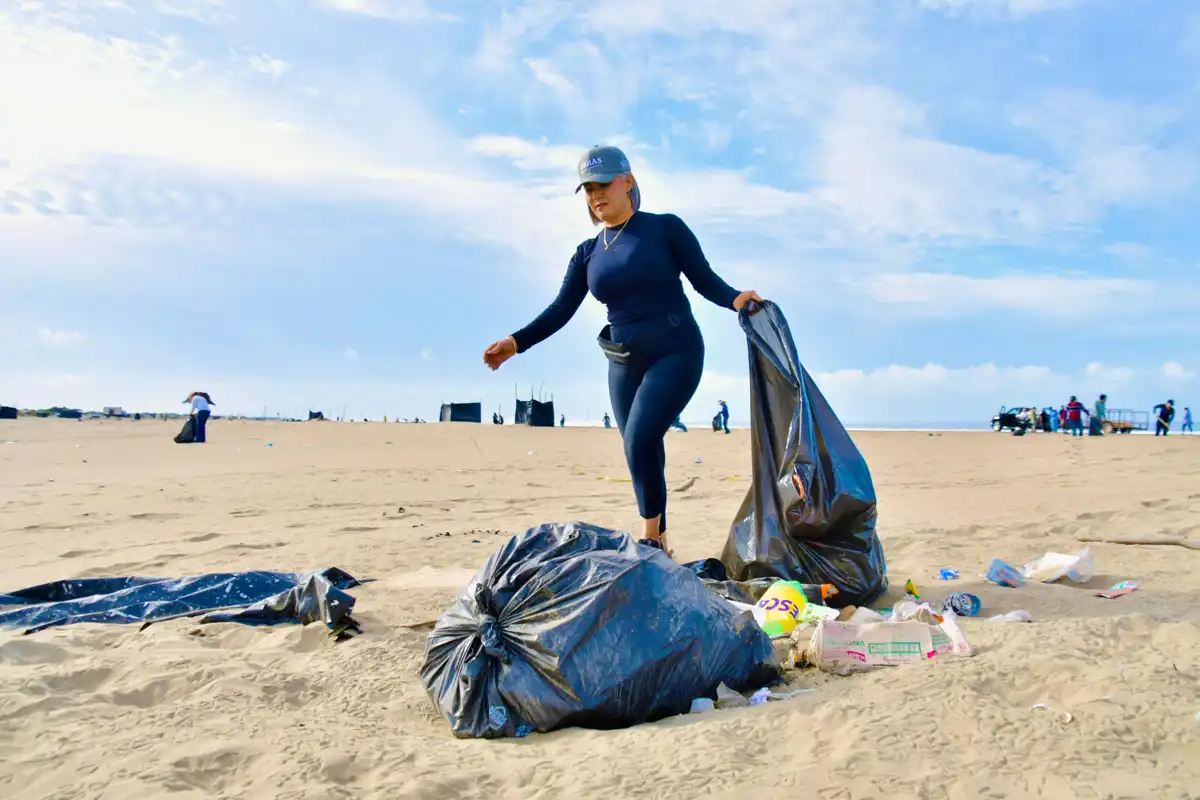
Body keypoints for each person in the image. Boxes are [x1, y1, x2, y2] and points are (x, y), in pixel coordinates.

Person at [482, 144, 762, 554]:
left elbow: (704, 280)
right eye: (587, 189)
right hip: (624, 362)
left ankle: (649, 539)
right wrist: (516, 342)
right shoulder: (588, 253)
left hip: (676, 350)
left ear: (627, 182)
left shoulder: (665, 229)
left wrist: (737, 298)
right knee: (638, 449)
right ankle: (661, 537)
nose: (595, 196)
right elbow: (562, 309)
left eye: (602, 185)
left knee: (639, 438)